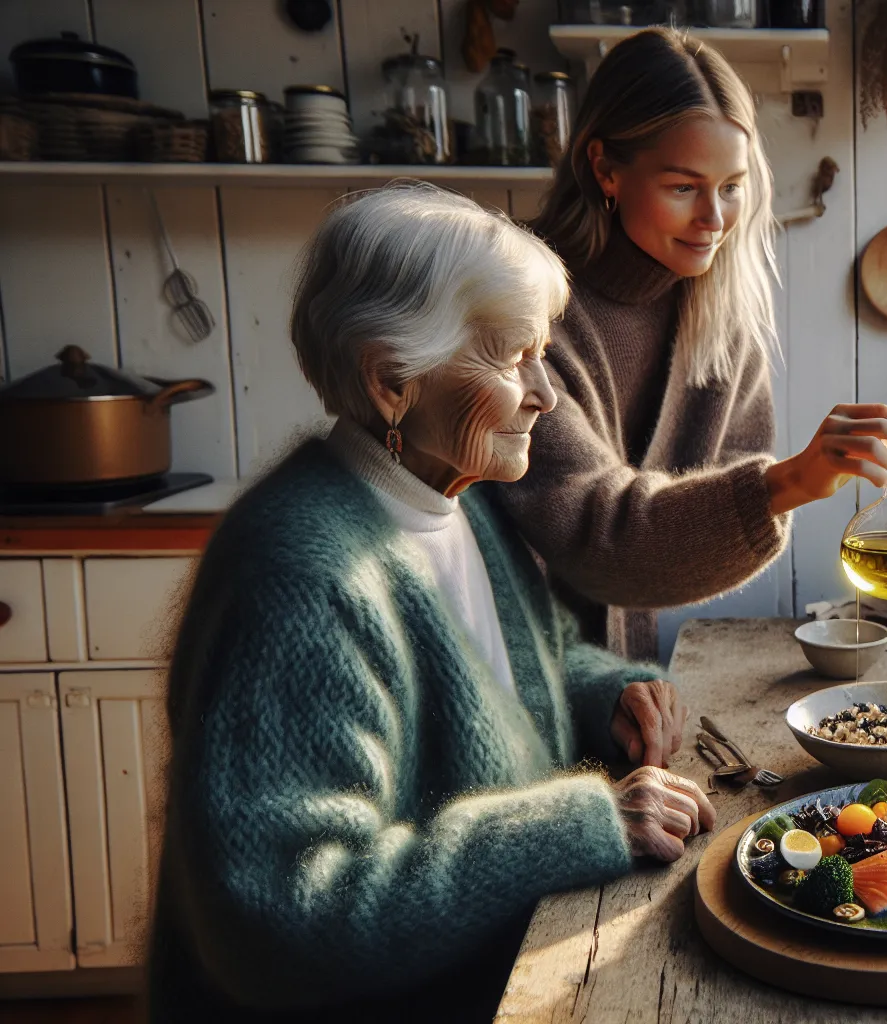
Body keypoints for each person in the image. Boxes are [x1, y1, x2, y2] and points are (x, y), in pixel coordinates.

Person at [148, 184, 715, 1023]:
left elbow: (533, 662)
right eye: (509, 357)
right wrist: (582, 824)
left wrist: (609, 695)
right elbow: (279, 918)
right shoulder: (305, 576)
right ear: (392, 384)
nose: (544, 394)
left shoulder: (461, 498)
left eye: (541, 354)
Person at [508, 28, 887, 664]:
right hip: (515, 661)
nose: (715, 219)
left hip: (623, 673)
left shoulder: (720, 311)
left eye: (730, 186)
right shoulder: (520, 306)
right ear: (604, 169)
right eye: (683, 187)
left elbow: (699, 517)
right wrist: (787, 483)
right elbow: (597, 539)